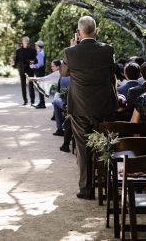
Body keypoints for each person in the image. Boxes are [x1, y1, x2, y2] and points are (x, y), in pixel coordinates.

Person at [60, 16, 116, 200]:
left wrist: (72, 48)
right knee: (106, 146)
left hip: (80, 107)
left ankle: (86, 188)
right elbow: (111, 74)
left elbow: (64, 73)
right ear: (96, 31)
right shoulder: (108, 50)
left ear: (78, 33)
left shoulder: (70, 52)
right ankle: (108, 187)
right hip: (104, 106)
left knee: (83, 148)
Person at [14, 36, 37, 105]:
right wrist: (15, 64)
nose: (26, 42)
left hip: (30, 70)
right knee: (23, 86)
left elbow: (35, 60)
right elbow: (16, 60)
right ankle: (25, 100)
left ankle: (32, 101)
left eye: (27, 41)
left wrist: (32, 63)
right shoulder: (18, 51)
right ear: (22, 41)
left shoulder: (33, 50)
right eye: (25, 41)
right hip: (21, 70)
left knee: (31, 85)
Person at [30, 40, 47, 108]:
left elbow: (41, 64)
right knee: (40, 88)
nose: (35, 46)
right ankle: (41, 103)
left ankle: (42, 104)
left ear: (38, 46)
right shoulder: (40, 52)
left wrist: (33, 66)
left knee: (40, 88)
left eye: (36, 45)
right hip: (39, 72)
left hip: (40, 72)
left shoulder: (40, 53)